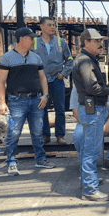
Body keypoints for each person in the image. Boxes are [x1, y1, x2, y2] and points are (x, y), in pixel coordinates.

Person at [0, 27, 56, 176]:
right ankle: (11, 162)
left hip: (37, 100)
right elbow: (1, 82)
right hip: (15, 102)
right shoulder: (7, 58)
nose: (34, 41)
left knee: (37, 132)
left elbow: (42, 78)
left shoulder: (35, 57)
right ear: (21, 39)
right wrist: (2, 103)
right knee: (13, 131)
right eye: (31, 39)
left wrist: (45, 95)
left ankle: (40, 160)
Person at [72, 28, 109, 202]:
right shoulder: (85, 61)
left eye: (100, 40)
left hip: (89, 109)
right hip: (92, 111)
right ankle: (90, 190)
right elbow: (92, 87)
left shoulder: (87, 59)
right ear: (86, 43)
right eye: (96, 41)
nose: (100, 43)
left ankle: (88, 180)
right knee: (91, 151)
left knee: (87, 149)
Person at [33, 17, 73, 145]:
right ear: (41, 26)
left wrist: (63, 73)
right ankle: (45, 135)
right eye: (49, 25)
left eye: (53, 25)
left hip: (57, 79)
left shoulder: (61, 42)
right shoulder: (33, 42)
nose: (52, 27)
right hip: (40, 81)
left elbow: (70, 60)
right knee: (41, 108)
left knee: (60, 108)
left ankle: (60, 135)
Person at [70, 85, 109, 171]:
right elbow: (75, 112)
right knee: (78, 136)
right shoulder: (77, 88)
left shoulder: (108, 86)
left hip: (104, 121)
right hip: (85, 122)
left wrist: (107, 125)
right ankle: (85, 163)